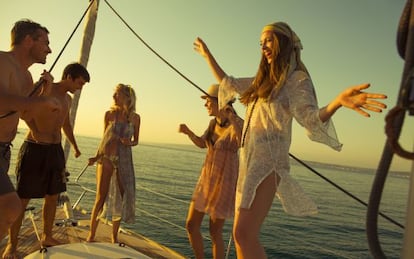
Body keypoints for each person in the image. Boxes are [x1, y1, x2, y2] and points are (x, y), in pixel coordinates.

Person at [193, 22, 388, 258]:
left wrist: (337, 102)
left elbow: (310, 118)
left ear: (283, 43)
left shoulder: (297, 79)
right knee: (239, 235)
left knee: (245, 233)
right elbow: (229, 83)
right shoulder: (262, 82)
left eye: (269, 40)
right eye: (261, 42)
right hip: (248, 162)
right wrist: (207, 55)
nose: (263, 46)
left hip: (269, 164)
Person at [2, 62, 90, 258]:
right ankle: (12, 246)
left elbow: (65, 123)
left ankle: (47, 236)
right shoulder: (44, 88)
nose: (80, 87)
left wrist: (74, 146)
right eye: (80, 83)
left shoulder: (67, 99)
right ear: (69, 77)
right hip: (35, 149)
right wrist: (34, 129)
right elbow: (24, 113)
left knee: (53, 196)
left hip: (54, 151)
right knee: (23, 198)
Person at [0, 19, 57, 243]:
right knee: (11, 206)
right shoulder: (3, 61)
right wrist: (41, 103)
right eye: (45, 42)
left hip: (4, 152)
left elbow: (26, 115)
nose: (50, 49)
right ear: (28, 40)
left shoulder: (26, 77)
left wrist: (46, 91)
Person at [179, 84, 244, 259]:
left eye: (208, 100)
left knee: (215, 231)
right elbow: (202, 143)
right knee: (191, 225)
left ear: (220, 101)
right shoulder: (212, 123)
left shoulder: (237, 123)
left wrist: (231, 116)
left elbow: (243, 142)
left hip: (226, 180)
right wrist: (188, 132)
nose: (205, 104)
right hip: (207, 178)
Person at [86, 83, 140, 244]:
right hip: (106, 158)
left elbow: (136, 141)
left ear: (128, 97)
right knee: (100, 198)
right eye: (114, 94)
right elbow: (104, 139)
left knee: (121, 199)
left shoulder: (135, 118)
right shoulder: (109, 114)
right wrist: (96, 157)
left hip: (124, 161)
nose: (114, 97)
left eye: (117, 94)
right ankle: (91, 234)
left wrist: (128, 142)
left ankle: (114, 236)